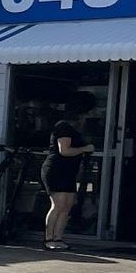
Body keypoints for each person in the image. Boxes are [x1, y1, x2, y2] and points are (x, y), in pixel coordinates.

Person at [41, 101, 96, 251]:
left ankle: (58, 238)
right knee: (57, 205)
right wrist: (85, 148)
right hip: (56, 169)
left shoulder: (75, 129)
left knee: (67, 205)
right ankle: (48, 239)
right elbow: (64, 151)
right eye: (87, 113)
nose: (89, 116)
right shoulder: (63, 127)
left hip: (69, 171)